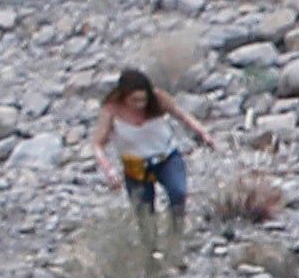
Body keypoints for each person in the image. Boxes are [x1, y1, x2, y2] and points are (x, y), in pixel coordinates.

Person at [92, 67, 214, 225]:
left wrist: (203, 133)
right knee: (144, 214)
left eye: (143, 99)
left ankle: (176, 232)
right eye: (134, 100)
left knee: (178, 193)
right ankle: (151, 246)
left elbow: (182, 115)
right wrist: (109, 170)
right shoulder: (111, 110)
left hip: (166, 157)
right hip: (135, 165)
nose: (140, 105)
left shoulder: (158, 99)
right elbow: (97, 145)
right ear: (124, 97)